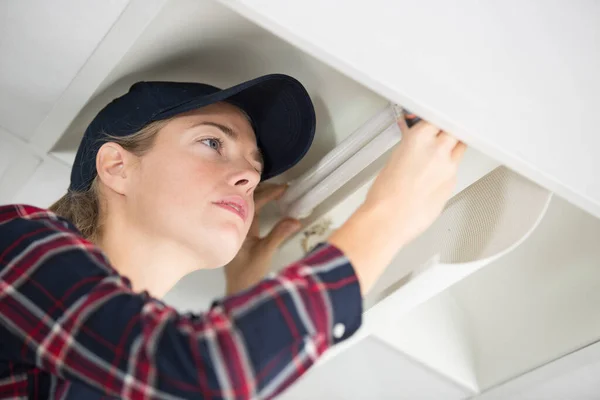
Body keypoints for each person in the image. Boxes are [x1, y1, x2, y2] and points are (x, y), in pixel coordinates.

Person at [0, 74, 465, 399]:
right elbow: (200, 374)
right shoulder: (14, 239)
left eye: (255, 167)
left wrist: (244, 295)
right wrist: (388, 218)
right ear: (117, 167)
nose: (247, 174)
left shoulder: (105, 368)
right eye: (212, 143)